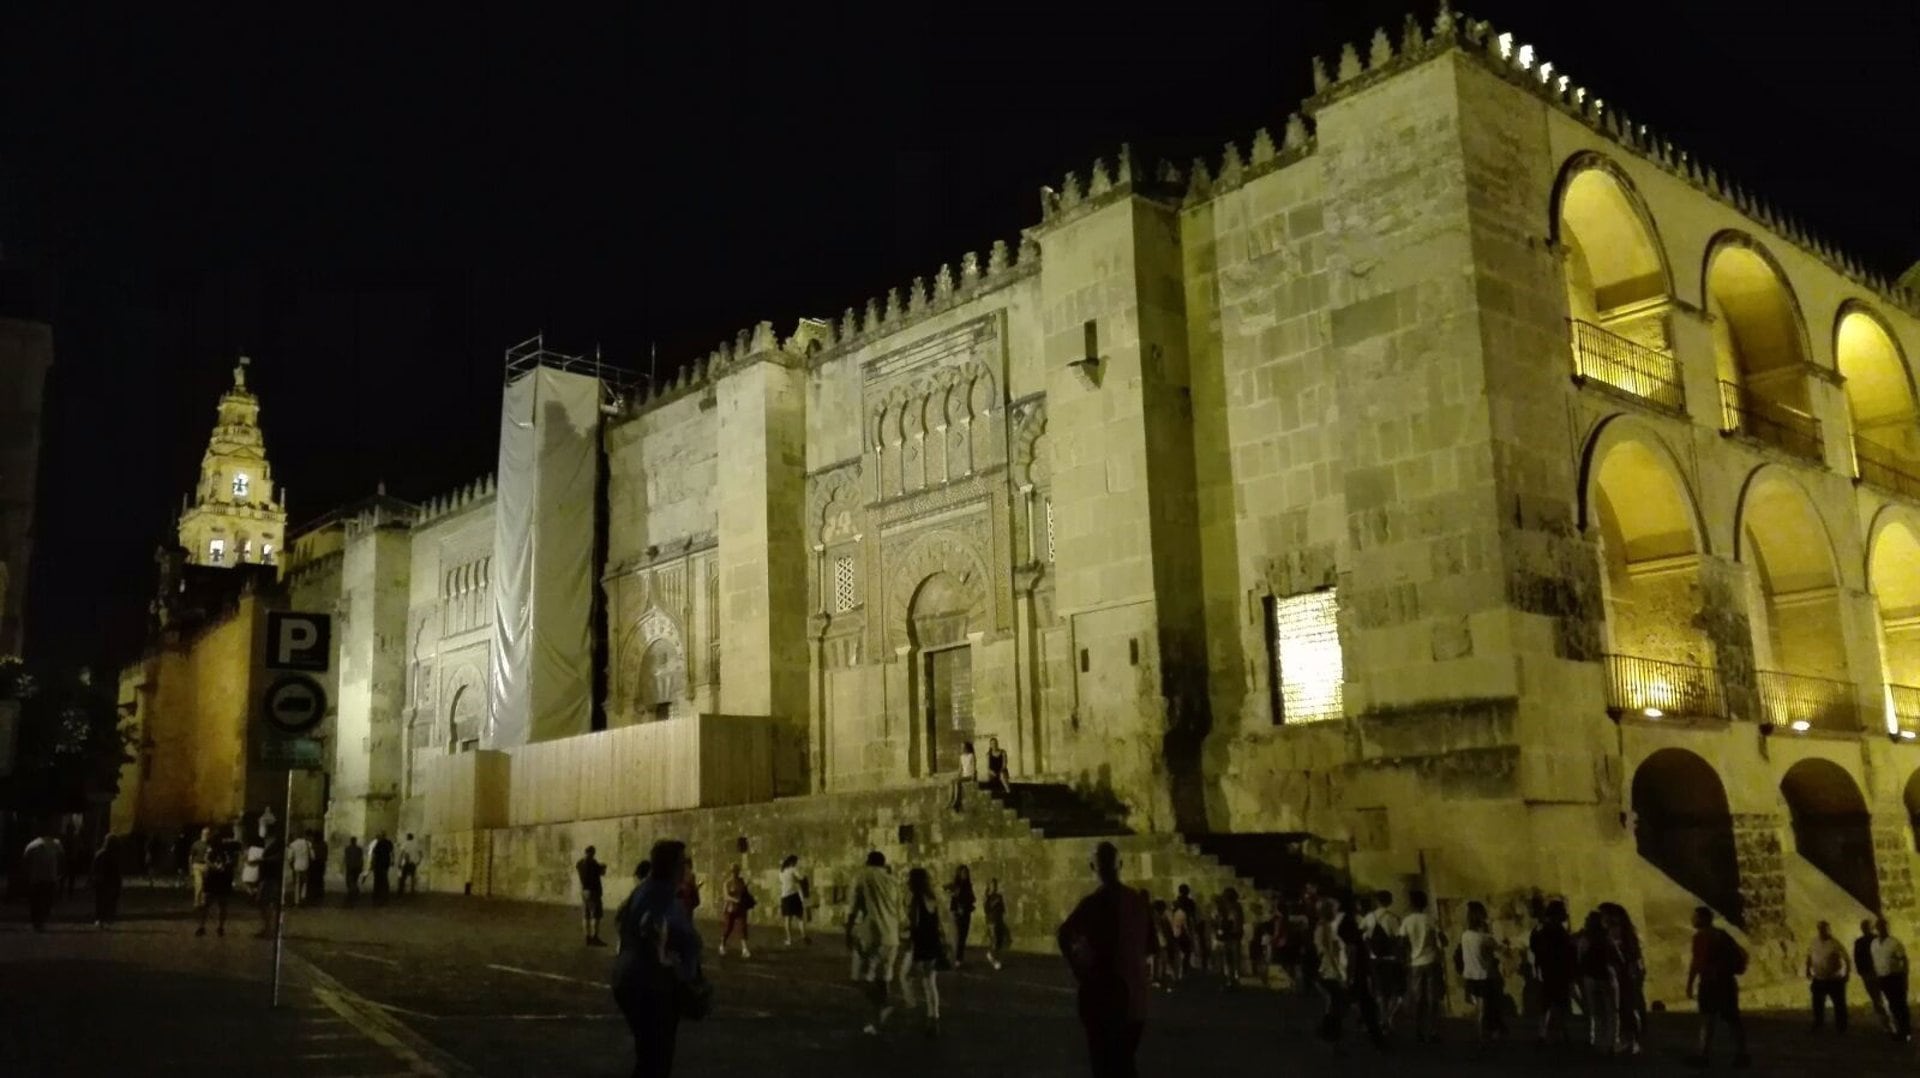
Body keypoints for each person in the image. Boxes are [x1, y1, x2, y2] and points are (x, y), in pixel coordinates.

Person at [1058, 841, 1155, 1077]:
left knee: (1104, 1065)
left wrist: (1080, 970)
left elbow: (1064, 934)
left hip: (1103, 995)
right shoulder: (1138, 903)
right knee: (1125, 1064)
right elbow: (1151, 946)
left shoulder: (1092, 904)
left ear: (1093, 866)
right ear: (1119, 864)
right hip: (1135, 997)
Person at [610, 840, 704, 1078]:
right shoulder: (661, 894)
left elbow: (622, 918)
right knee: (657, 1060)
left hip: (631, 978)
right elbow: (653, 928)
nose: (686, 867)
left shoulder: (645, 889)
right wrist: (667, 960)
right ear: (672, 865)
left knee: (649, 1057)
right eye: (683, 862)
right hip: (649, 983)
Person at [1684, 905, 1750, 1068]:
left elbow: (1697, 963)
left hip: (1712, 983)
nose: (1692, 919)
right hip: (1725, 982)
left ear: (1703, 918)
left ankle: (1705, 1054)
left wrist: (1690, 983)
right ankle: (1740, 1053)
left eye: (1695, 916)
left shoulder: (1702, 937)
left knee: (1709, 1019)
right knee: (1731, 1020)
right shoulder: (1721, 935)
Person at [847, 850, 902, 1035]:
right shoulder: (893, 881)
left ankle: (883, 1004)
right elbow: (899, 910)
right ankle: (877, 1022)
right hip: (892, 935)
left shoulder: (863, 876)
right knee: (884, 978)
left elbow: (853, 907)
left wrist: (848, 930)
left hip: (873, 934)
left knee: (861, 977)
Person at [903, 867, 950, 1036]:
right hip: (933, 943)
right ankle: (933, 1018)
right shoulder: (932, 898)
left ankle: (912, 1008)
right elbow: (937, 922)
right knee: (930, 983)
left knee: (906, 976)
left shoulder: (916, 900)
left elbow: (915, 926)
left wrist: (905, 934)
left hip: (921, 945)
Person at [1458, 900, 1507, 1044]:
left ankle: (1480, 1036)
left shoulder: (1465, 935)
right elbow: (1501, 949)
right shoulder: (1485, 938)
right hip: (1485, 976)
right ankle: (1488, 1035)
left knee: (1480, 1009)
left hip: (1471, 976)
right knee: (1489, 1007)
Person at [1529, 900, 1577, 1046]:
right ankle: (1562, 1033)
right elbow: (1568, 952)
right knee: (1560, 1004)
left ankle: (1543, 1034)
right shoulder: (1560, 932)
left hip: (1547, 970)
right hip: (1558, 971)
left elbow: (1535, 947)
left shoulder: (1542, 930)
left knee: (1546, 1004)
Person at [1602, 902, 1647, 1054]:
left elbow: (1631, 955)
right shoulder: (1616, 932)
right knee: (1624, 1008)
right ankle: (1628, 1040)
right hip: (1623, 973)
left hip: (1627, 974)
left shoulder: (1620, 932)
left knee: (1630, 1007)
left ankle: (1633, 1040)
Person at [1401, 889, 1444, 1043]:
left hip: (1415, 963)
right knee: (1433, 998)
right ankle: (1433, 1031)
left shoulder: (1407, 921)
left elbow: (1402, 942)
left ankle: (1419, 1030)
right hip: (1432, 961)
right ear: (1425, 903)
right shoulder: (1430, 919)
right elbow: (1443, 940)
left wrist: (1406, 957)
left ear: (1411, 903)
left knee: (1419, 998)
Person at [1576, 908, 1621, 1053]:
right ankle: (1612, 1042)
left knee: (1596, 1012)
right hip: (1607, 977)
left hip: (1590, 978)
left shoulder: (1584, 940)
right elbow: (1619, 958)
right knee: (1612, 1012)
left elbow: (1580, 959)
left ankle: (1597, 1042)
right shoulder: (1607, 939)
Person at [1362, 889, 1404, 1028]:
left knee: (1379, 990)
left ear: (1377, 901)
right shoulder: (1393, 918)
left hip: (1374, 958)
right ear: (1390, 901)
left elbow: (1362, 935)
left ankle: (1383, 1016)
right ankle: (1388, 1017)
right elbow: (1399, 938)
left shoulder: (1369, 917)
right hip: (1391, 959)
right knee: (1394, 990)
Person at [1805, 919, 1850, 1033]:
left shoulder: (1835, 943)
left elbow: (1846, 958)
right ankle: (1818, 1023)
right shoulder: (1814, 942)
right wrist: (1808, 969)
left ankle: (1841, 1026)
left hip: (1834, 979)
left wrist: (1846, 974)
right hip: (1819, 978)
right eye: (1820, 929)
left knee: (1839, 1004)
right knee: (1817, 1003)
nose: (1823, 931)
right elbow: (1809, 956)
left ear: (1829, 930)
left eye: (1825, 929)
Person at [1869, 918, 1910, 1041]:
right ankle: (1896, 1030)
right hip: (1882, 978)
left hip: (1895, 978)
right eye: (1880, 927)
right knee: (1890, 1006)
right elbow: (1875, 960)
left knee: (1900, 1005)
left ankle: (1905, 1031)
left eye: (1885, 927)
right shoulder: (1874, 943)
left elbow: (1904, 960)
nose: (1882, 929)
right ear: (1876, 929)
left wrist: (1904, 976)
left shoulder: (1894, 943)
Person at [197, 829, 236, 937]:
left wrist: (223, 866)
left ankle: (217, 927)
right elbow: (207, 859)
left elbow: (232, 861)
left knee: (218, 904)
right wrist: (217, 867)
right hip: (215, 878)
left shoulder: (227, 849)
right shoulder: (214, 848)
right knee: (209, 904)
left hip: (220, 878)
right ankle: (205, 926)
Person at [22, 829, 64, 930]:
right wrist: (60, 874)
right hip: (50, 877)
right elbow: (62, 859)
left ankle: (37, 921)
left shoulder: (32, 845)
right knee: (47, 900)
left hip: (36, 877)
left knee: (36, 901)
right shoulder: (56, 844)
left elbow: (25, 860)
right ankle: (42, 919)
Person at [1855, 918, 1888, 1031]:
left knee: (1880, 997)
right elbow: (1857, 957)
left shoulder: (1876, 940)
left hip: (1877, 972)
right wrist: (1861, 971)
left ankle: (1887, 1020)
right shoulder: (1860, 942)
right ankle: (1885, 1021)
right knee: (1876, 998)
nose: (1865, 929)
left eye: (1867, 927)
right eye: (1864, 927)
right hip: (1868, 973)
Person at [718, 864, 753, 958]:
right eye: (733, 871)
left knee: (742, 928)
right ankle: (722, 945)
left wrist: (746, 887)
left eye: (736, 871)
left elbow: (743, 892)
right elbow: (726, 896)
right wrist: (735, 900)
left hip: (741, 908)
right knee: (728, 928)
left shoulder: (741, 881)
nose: (735, 873)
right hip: (730, 909)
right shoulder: (727, 883)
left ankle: (744, 949)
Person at [1214, 888, 1246, 988]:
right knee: (1232, 959)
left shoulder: (1232, 907)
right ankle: (1233, 979)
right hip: (1233, 935)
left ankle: (1232, 979)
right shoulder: (1234, 907)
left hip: (1231, 935)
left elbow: (1233, 922)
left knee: (1230, 959)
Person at [255, 833, 285, 939]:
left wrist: (262, 860)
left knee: (266, 904)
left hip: (270, 880)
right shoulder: (274, 848)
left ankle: (269, 929)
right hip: (268, 879)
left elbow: (276, 859)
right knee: (265, 904)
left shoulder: (277, 849)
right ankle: (268, 928)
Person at [578, 845, 609, 946]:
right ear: (592, 853)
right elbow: (601, 872)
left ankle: (587, 937)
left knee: (586, 915)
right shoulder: (593, 863)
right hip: (594, 891)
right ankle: (595, 937)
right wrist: (603, 867)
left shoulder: (580, 863)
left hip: (584, 891)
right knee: (596, 915)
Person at [90, 834, 124, 927]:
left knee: (100, 901)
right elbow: (117, 870)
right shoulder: (115, 855)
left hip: (102, 881)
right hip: (110, 882)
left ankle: (100, 919)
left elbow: (94, 868)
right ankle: (107, 919)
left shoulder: (100, 854)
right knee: (110, 902)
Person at [948, 865, 977, 967]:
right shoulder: (957, 885)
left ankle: (959, 958)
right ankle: (957, 959)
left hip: (966, 913)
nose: (965, 875)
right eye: (963, 872)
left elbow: (972, 898)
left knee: (963, 936)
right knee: (958, 936)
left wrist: (970, 904)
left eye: (966, 873)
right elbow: (952, 895)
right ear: (959, 873)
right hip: (957, 913)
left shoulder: (968, 885)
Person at [778, 854, 809, 945]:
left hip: (785, 896)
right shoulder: (793, 869)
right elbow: (802, 877)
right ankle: (803, 936)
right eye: (795, 862)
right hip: (794, 895)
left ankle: (789, 939)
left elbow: (782, 881)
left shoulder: (781, 871)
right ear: (792, 862)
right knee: (800, 917)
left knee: (787, 919)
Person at [1170, 884, 1197, 981]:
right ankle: (1185, 969)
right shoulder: (1189, 903)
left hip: (1176, 929)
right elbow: (1192, 917)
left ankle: (1182, 970)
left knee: (1180, 951)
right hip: (1185, 928)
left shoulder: (1175, 903)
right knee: (1187, 950)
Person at [984, 878, 1009, 971]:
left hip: (999, 920)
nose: (994, 887)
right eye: (992, 885)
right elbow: (986, 910)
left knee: (1000, 941)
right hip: (991, 921)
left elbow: (1003, 909)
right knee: (994, 940)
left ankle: (994, 956)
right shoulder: (987, 897)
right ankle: (994, 960)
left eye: (995, 885)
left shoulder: (999, 896)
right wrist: (992, 903)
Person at [288, 830, 314, 906]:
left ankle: (296, 901)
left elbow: (290, 857)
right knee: (305, 882)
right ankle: (303, 897)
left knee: (296, 883)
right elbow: (312, 856)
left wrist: (291, 865)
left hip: (296, 866)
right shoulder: (308, 843)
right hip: (305, 866)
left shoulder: (292, 844)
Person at [952, 741, 977, 810]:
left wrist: (973, 776)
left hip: (969, 775)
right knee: (953, 781)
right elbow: (960, 769)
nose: (962, 748)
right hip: (964, 775)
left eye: (963, 747)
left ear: (966, 748)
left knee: (957, 781)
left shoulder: (971, 755)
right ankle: (952, 799)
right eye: (961, 747)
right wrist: (957, 775)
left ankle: (957, 800)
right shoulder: (961, 757)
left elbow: (974, 767)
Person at [370, 832, 394, 903]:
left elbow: (374, 854)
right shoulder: (389, 842)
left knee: (377, 879)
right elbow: (392, 852)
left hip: (378, 863)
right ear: (385, 835)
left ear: (381, 835)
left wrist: (372, 864)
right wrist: (393, 860)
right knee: (385, 878)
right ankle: (385, 894)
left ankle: (377, 895)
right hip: (386, 862)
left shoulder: (378, 843)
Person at [342, 836, 365, 906]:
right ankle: (354, 892)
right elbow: (361, 859)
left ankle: (352, 893)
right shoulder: (359, 849)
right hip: (356, 867)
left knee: (350, 881)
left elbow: (346, 858)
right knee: (354, 880)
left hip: (350, 867)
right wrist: (361, 867)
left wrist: (344, 865)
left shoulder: (348, 849)